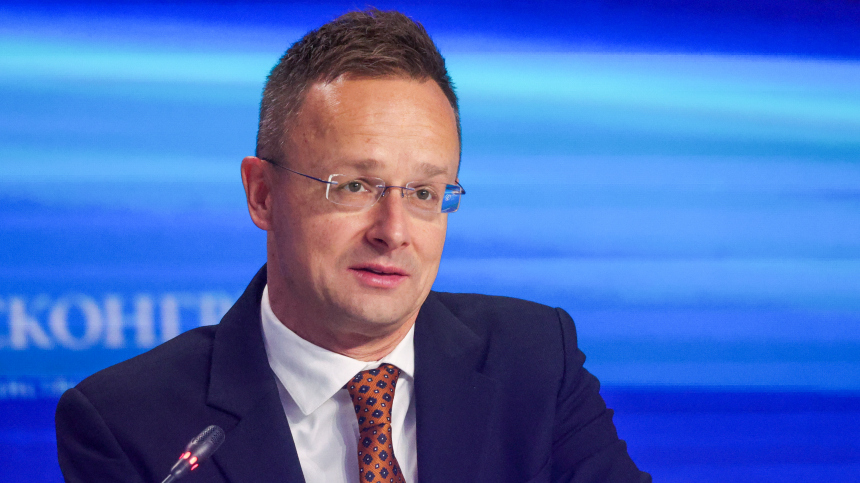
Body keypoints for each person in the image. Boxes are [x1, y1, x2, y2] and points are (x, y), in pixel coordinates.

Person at [55, 9, 650, 483]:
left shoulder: (533, 361)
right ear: (262, 194)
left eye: (424, 192)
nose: (393, 230)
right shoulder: (130, 423)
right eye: (355, 186)